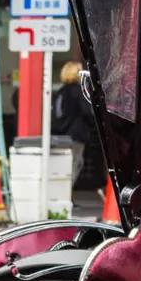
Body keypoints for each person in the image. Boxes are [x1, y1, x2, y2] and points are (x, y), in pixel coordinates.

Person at [53, 60, 99, 189]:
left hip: (61, 135)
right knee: (75, 164)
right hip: (77, 135)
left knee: (64, 165)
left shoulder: (61, 91)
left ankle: (63, 194)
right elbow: (87, 111)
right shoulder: (79, 91)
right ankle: (66, 195)